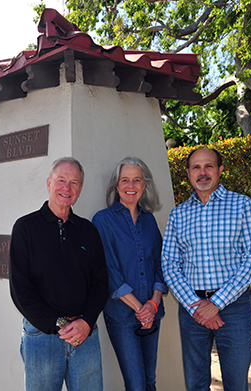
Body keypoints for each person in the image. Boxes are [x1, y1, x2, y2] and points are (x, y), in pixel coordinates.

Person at [161, 148, 251, 391]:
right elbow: (169, 264)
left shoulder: (242, 205)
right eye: (196, 167)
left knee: (236, 382)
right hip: (192, 309)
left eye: (209, 166)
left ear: (220, 170)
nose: (202, 172)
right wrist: (196, 306)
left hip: (234, 308)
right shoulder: (178, 215)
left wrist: (216, 304)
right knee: (196, 383)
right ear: (188, 173)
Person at [9, 157, 110, 391]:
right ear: (48, 183)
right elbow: (21, 291)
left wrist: (86, 322)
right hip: (41, 336)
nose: (67, 188)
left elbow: (100, 283)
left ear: (80, 189)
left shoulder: (88, 230)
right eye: (61, 180)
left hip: (85, 333)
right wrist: (59, 323)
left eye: (74, 183)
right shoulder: (25, 228)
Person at [92, 157, 168, 391]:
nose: (131, 185)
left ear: (144, 185)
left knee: (149, 381)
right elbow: (109, 270)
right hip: (122, 317)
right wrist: (140, 309)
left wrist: (152, 306)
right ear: (117, 186)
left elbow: (159, 262)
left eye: (137, 180)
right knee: (136, 385)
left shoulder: (149, 220)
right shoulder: (103, 220)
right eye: (125, 180)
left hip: (151, 313)